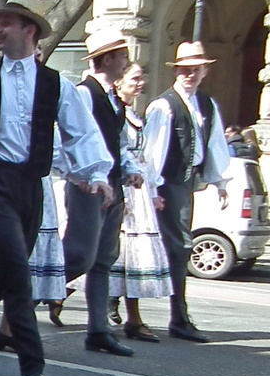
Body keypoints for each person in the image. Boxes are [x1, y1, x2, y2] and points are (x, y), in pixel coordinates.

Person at [0, 0, 112, 376]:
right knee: (18, 276)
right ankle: (33, 367)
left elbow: (81, 132)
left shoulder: (57, 84)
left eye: (8, 22)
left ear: (30, 30)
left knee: (0, 272)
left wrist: (96, 173)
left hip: (30, 186)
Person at [144, 39, 229, 342]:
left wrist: (219, 181)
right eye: (184, 70)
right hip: (168, 183)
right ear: (176, 72)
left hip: (186, 182)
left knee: (167, 247)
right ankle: (178, 318)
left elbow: (215, 143)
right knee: (176, 246)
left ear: (204, 71)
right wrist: (152, 189)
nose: (190, 75)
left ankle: (129, 303)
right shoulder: (164, 106)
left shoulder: (205, 104)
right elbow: (152, 152)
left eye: (195, 69)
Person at [60, 32, 137, 356]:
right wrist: (79, 176)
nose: (127, 63)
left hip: (111, 185)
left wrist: (130, 169)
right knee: (79, 255)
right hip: (89, 186)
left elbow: (118, 141)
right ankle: (15, 304)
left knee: (103, 260)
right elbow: (68, 138)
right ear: (106, 59)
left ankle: (98, 330)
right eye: (122, 56)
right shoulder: (84, 94)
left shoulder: (113, 98)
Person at [109, 63, 171, 338]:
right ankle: (54, 295)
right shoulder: (115, 112)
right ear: (119, 82)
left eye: (142, 77)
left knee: (129, 256)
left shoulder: (133, 114)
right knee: (118, 254)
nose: (141, 82)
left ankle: (133, 318)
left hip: (138, 188)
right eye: (135, 77)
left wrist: (153, 191)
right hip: (124, 186)